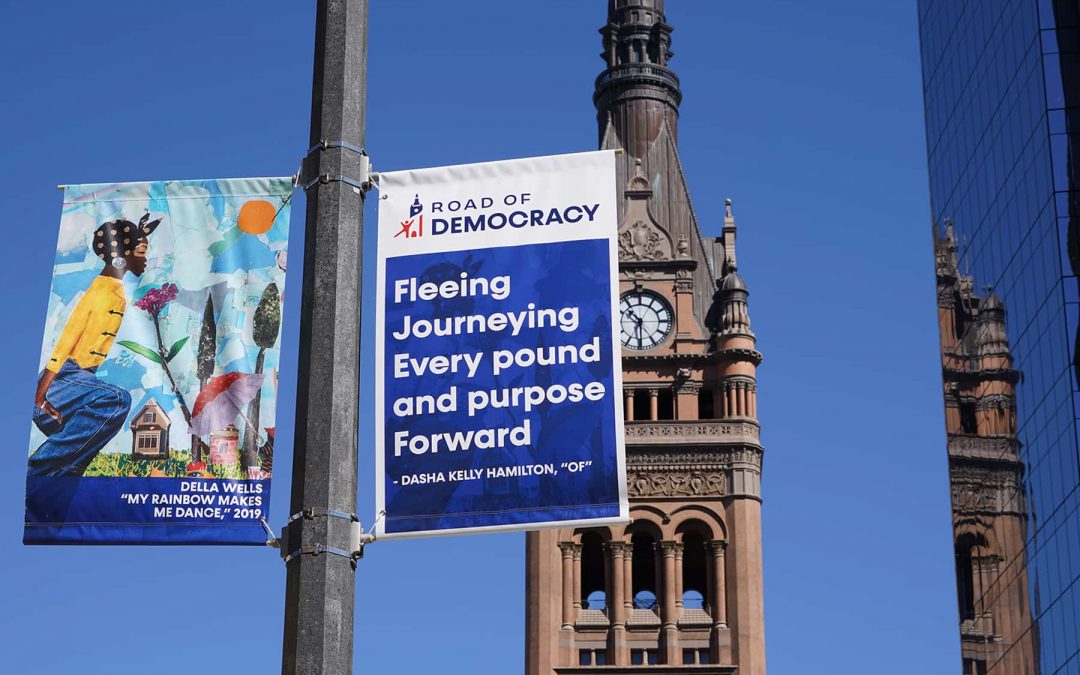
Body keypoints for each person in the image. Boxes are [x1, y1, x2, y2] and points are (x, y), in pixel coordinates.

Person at [29, 213, 160, 476]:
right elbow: (67, 340)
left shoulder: (116, 293)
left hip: (81, 381)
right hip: (62, 379)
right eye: (141, 251)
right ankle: (37, 472)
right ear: (122, 255)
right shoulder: (101, 292)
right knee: (117, 399)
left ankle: (62, 478)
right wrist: (41, 395)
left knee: (87, 439)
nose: (145, 259)